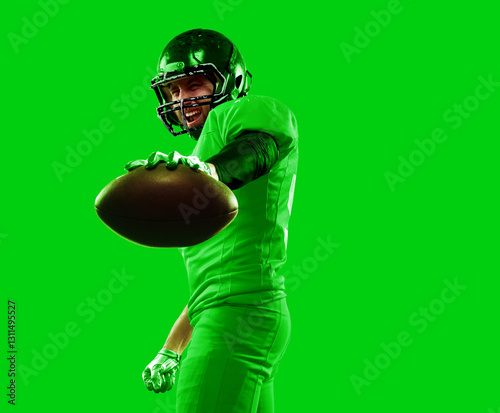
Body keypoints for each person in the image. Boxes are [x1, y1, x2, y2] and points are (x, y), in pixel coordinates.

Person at [125, 28, 298, 413]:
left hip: (236, 320)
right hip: (243, 314)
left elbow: (259, 148)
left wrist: (208, 171)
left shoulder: (237, 115)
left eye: (193, 85)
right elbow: (213, 287)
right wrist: (171, 349)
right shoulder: (205, 170)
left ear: (230, 82)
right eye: (174, 92)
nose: (183, 100)